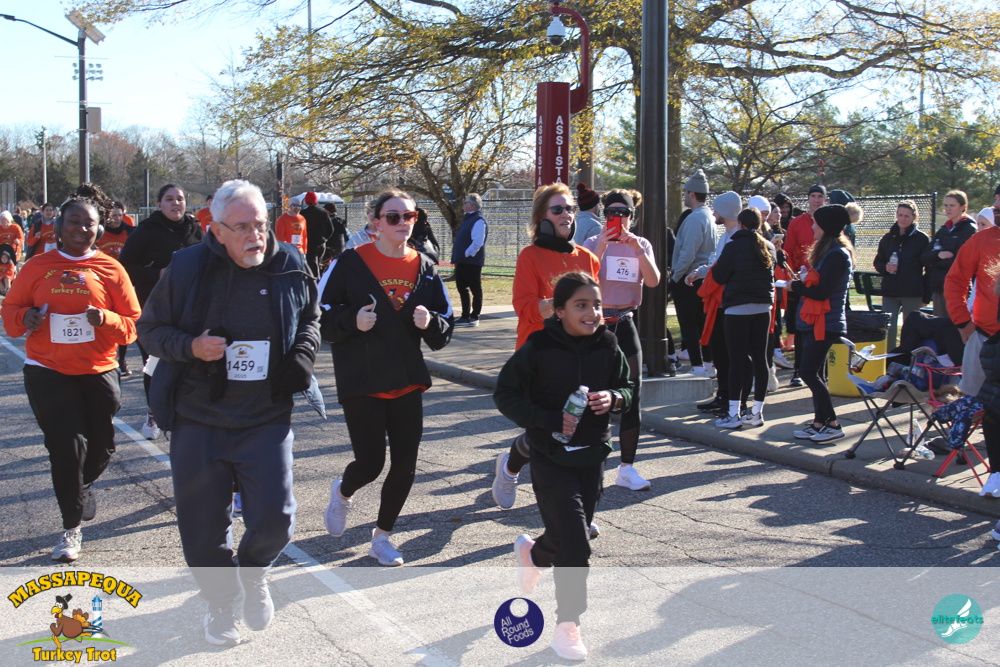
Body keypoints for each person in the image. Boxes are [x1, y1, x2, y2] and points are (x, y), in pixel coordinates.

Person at [137, 179, 320, 646]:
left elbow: (310, 317)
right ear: (216, 231)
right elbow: (150, 330)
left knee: (276, 517)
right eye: (242, 228)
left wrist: (303, 352)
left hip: (265, 416)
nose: (255, 235)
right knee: (202, 530)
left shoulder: (290, 263)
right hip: (199, 417)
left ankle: (254, 572)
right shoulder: (186, 268)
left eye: (260, 224)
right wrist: (191, 347)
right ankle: (220, 604)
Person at [493, 272, 632, 662]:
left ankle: (534, 555)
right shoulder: (539, 347)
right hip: (550, 456)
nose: (592, 313)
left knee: (565, 534)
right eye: (581, 305)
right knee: (577, 542)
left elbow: (630, 388)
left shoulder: (609, 345)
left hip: (592, 456)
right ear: (559, 311)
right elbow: (505, 394)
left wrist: (615, 398)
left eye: (597, 305)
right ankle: (567, 625)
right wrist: (548, 419)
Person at [0, 183, 141, 563]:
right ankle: (71, 528)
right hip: (48, 370)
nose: (81, 229)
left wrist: (105, 319)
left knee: (101, 447)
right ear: (59, 227)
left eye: (89, 223)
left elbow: (132, 325)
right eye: (74, 222)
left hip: (98, 369)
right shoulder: (37, 266)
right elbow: (10, 313)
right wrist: (26, 316)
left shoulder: (111, 268)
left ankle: (82, 485)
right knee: (66, 448)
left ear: (99, 229)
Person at [319, 188, 453, 566]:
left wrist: (431, 323)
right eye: (393, 216)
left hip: (407, 377)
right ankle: (343, 493)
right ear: (376, 222)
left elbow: (445, 325)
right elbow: (320, 314)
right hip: (362, 378)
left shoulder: (424, 266)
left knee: (405, 465)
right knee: (371, 464)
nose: (402, 223)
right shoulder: (350, 263)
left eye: (409, 216)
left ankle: (382, 537)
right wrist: (352, 320)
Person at [491, 184, 601, 510]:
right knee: (544, 432)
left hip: (579, 357)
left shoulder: (588, 259)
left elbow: (594, 312)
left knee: (576, 432)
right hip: (539, 356)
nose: (566, 214)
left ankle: (578, 512)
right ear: (542, 217)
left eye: (570, 208)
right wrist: (561, 302)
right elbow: (524, 308)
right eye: (558, 209)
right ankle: (510, 470)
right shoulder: (530, 256)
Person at [583, 188, 660, 489]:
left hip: (625, 322)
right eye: (611, 213)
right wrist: (602, 247)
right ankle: (591, 465)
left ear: (631, 216)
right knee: (594, 395)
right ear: (604, 215)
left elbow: (653, 281)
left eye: (623, 213)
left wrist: (637, 249)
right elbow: (582, 279)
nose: (617, 218)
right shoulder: (592, 242)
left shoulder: (641, 244)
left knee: (633, 395)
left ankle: (627, 468)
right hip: (596, 326)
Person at [119, 184, 203, 439]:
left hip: (190, 308)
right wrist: (158, 273)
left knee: (189, 362)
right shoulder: (146, 230)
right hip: (154, 309)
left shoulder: (194, 228)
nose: (176, 203)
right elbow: (124, 268)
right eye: (169, 199)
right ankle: (153, 413)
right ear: (159, 204)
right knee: (155, 362)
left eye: (180, 199)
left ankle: (187, 414)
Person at [787, 205, 854, 443]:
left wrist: (795, 286)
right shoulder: (830, 252)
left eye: (816, 222)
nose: (812, 226)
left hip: (825, 322)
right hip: (817, 321)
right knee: (815, 373)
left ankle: (833, 424)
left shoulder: (836, 255)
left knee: (808, 372)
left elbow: (822, 292)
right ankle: (819, 422)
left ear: (826, 227)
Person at [711, 207, 776, 428]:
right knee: (760, 359)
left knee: (736, 360)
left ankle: (733, 413)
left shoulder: (733, 246)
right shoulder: (768, 246)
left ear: (740, 224)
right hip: (763, 307)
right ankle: (757, 412)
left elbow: (719, 275)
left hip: (737, 308)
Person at [943, 206, 1000, 458]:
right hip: (985, 337)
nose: (997, 211)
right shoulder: (981, 240)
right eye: (996, 206)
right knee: (975, 402)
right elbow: (955, 279)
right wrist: (962, 321)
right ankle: (963, 451)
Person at [687, 191, 744, 417]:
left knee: (727, 353)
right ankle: (723, 395)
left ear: (726, 211)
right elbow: (716, 265)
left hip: (728, 302)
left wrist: (703, 272)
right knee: (719, 350)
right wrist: (700, 272)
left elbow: (723, 269)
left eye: (717, 209)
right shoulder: (725, 236)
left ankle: (730, 398)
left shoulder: (736, 238)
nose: (714, 213)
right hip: (720, 301)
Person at [670, 169, 717, 377]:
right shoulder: (708, 216)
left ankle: (697, 366)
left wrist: (675, 277)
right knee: (702, 323)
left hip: (689, 278)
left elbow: (687, 253)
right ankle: (708, 363)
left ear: (692, 194)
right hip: (703, 277)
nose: (684, 196)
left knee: (688, 324)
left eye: (685, 192)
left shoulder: (694, 218)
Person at [783, 184, 828, 386]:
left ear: (825, 199)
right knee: (801, 329)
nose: (816, 200)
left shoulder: (830, 223)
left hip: (822, 283)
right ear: (808, 199)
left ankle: (823, 372)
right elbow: (788, 252)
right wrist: (794, 278)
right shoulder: (797, 223)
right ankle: (798, 371)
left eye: (820, 196)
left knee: (823, 330)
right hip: (802, 283)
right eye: (813, 196)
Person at [872, 200, 930, 349]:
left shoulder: (922, 239)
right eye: (900, 215)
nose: (903, 219)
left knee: (911, 329)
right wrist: (885, 267)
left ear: (914, 217)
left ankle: (909, 358)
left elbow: (929, 268)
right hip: (890, 291)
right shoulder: (888, 238)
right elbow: (878, 261)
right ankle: (889, 358)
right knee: (888, 327)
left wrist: (926, 296)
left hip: (912, 291)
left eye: (906, 216)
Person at [97, 202, 137, 376]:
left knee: (123, 320)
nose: (116, 219)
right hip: (103, 282)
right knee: (105, 320)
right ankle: (105, 355)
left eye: (119, 215)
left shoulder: (130, 232)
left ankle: (122, 360)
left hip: (123, 282)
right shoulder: (99, 232)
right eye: (113, 215)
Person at [923, 190, 976, 317]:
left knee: (956, 325)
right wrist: (938, 255)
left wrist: (935, 261)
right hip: (938, 286)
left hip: (958, 288)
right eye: (946, 205)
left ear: (963, 207)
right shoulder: (943, 230)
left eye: (952, 205)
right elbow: (924, 257)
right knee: (939, 325)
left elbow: (960, 261)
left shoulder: (969, 229)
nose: (948, 209)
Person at [451, 193, 488, 326]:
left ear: (472, 205)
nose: (464, 205)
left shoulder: (478, 220)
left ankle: (474, 316)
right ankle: (464, 316)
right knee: (462, 288)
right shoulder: (468, 218)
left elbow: (478, 242)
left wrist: (467, 254)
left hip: (472, 262)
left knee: (475, 289)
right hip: (462, 261)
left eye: (466, 202)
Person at [299, 191, 335, 278]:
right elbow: (331, 229)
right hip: (321, 243)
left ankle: (315, 281)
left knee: (312, 265)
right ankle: (318, 280)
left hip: (309, 243)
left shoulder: (303, 213)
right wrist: (325, 239)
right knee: (317, 263)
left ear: (306, 201)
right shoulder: (323, 213)